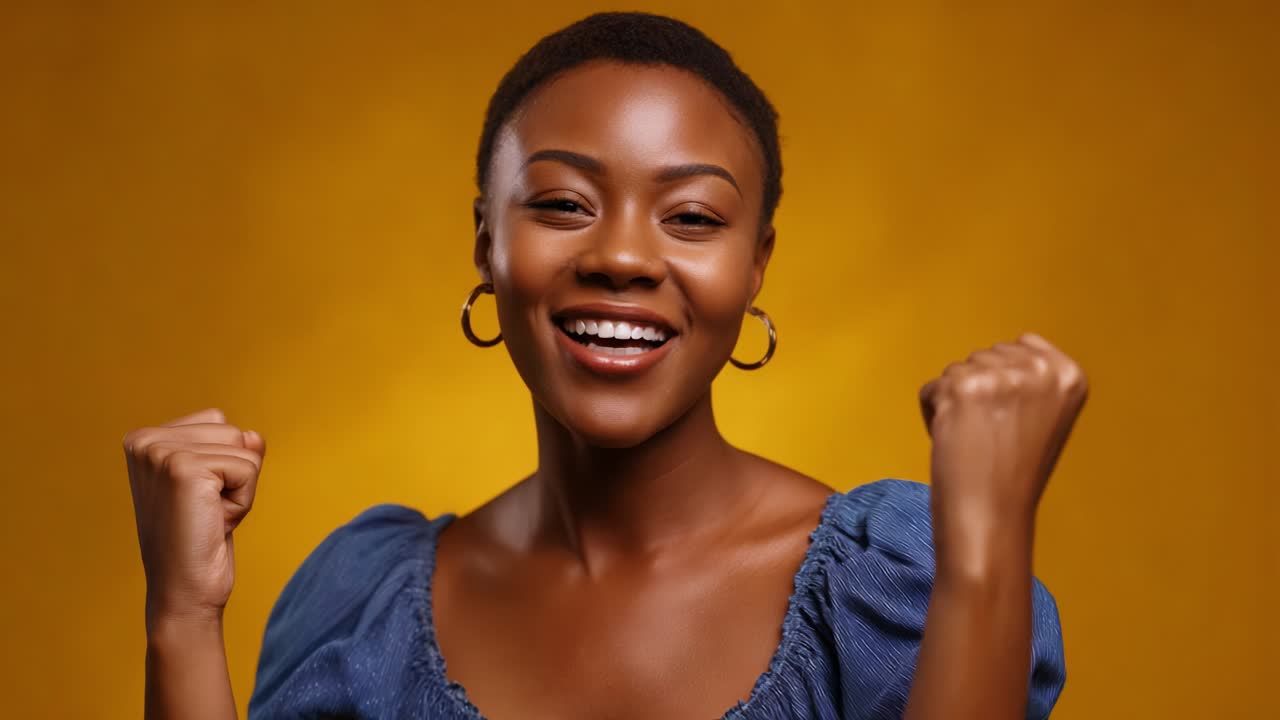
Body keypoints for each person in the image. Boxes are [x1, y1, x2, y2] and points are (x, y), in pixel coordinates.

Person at [125, 11, 1085, 720]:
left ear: (757, 265)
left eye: (694, 217)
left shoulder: (893, 587)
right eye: (562, 205)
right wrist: (181, 614)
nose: (622, 257)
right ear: (485, 244)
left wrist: (986, 543)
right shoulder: (358, 607)